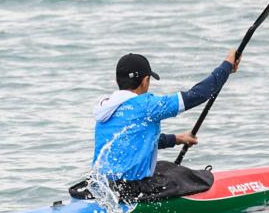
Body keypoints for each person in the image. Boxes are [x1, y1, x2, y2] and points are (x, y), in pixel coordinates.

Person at [74, 49, 240, 201]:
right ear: (145, 80)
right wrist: (226, 66)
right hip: (131, 189)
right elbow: (198, 95)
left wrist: (176, 139)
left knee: (163, 167)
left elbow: (132, 142)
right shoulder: (148, 105)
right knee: (188, 176)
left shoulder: (106, 106)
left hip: (102, 185)